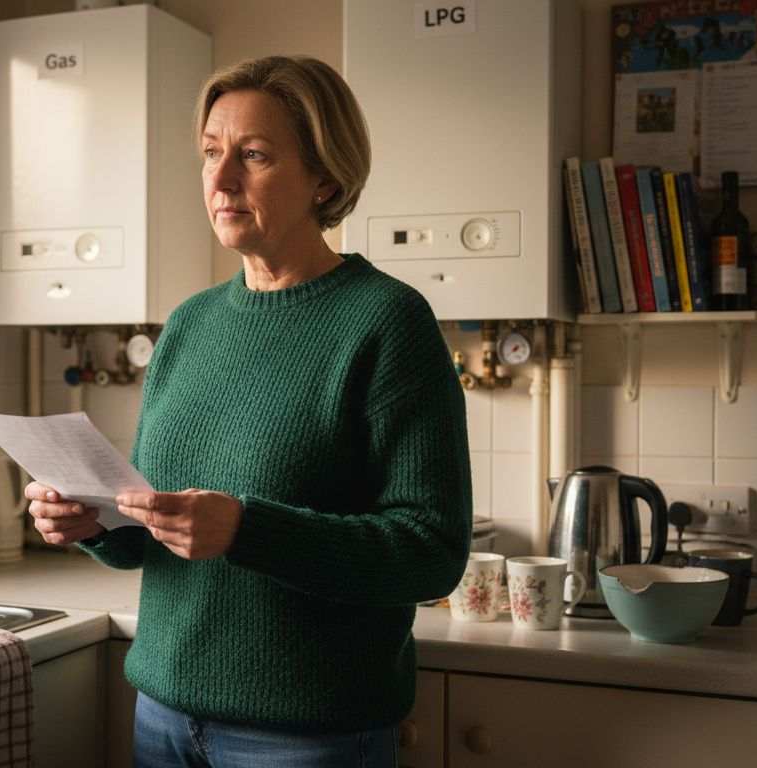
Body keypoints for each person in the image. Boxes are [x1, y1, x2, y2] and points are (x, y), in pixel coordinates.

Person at [25, 55, 472, 767]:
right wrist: (93, 522)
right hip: (163, 716)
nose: (221, 178)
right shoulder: (188, 325)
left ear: (325, 177)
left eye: (254, 154)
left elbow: (431, 552)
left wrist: (248, 530)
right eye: (210, 152)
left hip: (307, 735)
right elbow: (154, 531)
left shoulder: (387, 322)